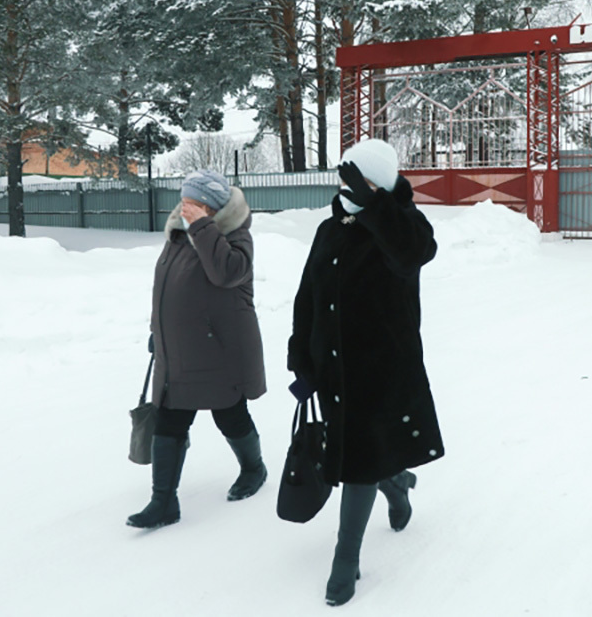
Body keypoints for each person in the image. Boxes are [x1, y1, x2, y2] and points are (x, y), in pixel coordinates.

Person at [287, 138, 444, 606]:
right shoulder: (329, 229)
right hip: (333, 369)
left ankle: (346, 560)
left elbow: (413, 253)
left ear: (381, 187)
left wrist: (378, 205)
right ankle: (395, 483)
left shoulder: (404, 227)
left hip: (381, 369)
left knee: (357, 461)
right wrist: (302, 358)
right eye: (346, 178)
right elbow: (307, 298)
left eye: (361, 182)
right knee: (364, 454)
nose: (348, 189)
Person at [128, 171, 268, 529]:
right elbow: (165, 290)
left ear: (212, 207)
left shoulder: (236, 235)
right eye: (184, 200)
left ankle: (254, 469)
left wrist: (203, 227)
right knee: (169, 419)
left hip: (220, 349)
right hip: (178, 349)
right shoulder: (179, 234)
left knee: (230, 416)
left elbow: (226, 272)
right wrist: (157, 333)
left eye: (194, 203)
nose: (185, 208)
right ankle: (163, 502)